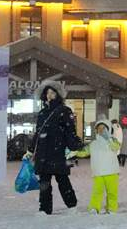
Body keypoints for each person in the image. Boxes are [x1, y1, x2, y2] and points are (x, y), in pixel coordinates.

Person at [25, 82, 83, 215]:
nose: (49, 96)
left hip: (58, 152)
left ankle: (72, 205)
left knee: (62, 180)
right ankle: (44, 209)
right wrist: (30, 149)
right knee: (44, 183)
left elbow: (70, 131)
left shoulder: (64, 111)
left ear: (58, 94)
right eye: (47, 93)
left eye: (52, 93)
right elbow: (38, 134)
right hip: (43, 153)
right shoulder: (42, 113)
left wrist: (74, 145)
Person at [76, 119, 121, 214]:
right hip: (98, 173)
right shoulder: (93, 144)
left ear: (108, 130)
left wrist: (109, 138)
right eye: (99, 129)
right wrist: (74, 152)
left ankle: (112, 208)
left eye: (104, 128)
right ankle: (94, 207)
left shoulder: (113, 141)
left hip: (112, 172)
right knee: (97, 192)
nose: (101, 130)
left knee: (112, 192)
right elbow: (84, 152)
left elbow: (116, 147)